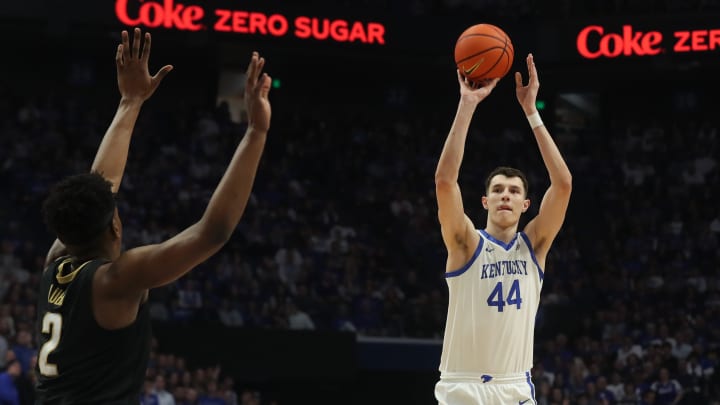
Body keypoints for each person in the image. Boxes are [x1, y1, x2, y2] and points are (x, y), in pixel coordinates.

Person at [34, 27, 272, 403]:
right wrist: (256, 132)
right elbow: (212, 233)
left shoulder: (56, 264)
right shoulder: (116, 279)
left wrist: (130, 102)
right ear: (114, 224)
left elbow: (101, 185)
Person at [433, 53, 572, 404]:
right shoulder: (465, 244)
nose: (505, 196)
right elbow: (445, 182)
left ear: (527, 205)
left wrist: (531, 111)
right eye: (497, 190)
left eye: (514, 191)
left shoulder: (535, 245)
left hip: (515, 387)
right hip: (463, 386)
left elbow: (564, 184)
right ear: (485, 202)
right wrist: (467, 105)